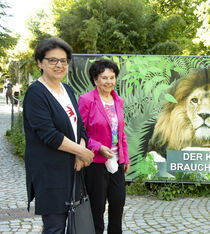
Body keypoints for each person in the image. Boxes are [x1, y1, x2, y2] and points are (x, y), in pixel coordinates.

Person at [23, 37, 94, 233]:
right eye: (52, 60)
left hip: (72, 169)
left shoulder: (67, 90)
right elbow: (49, 135)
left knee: (74, 223)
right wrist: (82, 151)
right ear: (40, 62)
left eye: (63, 60)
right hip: (50, 173)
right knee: (55, 226)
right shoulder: (36, 93)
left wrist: (80, 151)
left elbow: (79, 126)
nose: (59, 65)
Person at [78, 59, 130, 234]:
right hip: (96, 163)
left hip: (117, 161)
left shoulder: (118, 101)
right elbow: (80, 132)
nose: (109, 82)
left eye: (112, 77)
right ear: (95, 79)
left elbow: (121, 133)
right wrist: (97, 146)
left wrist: (125, 158)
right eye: (104, 78)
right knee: (97, 209)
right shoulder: (86, 100)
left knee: (117, 205)